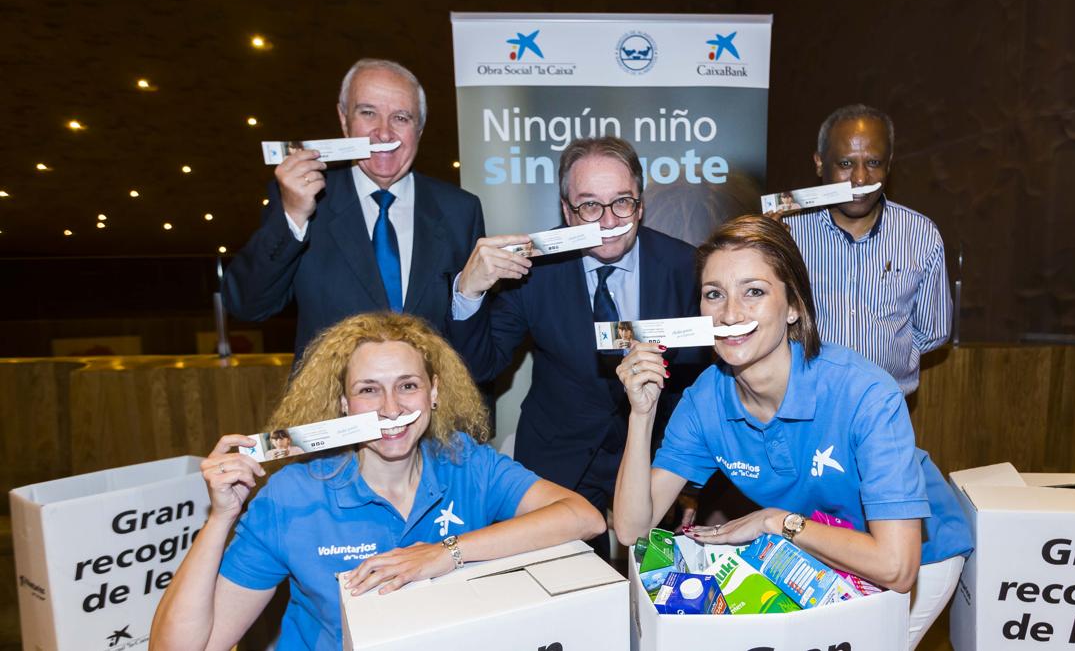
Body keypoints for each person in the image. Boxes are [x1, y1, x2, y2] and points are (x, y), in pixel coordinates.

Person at [613, 216, 972, 649]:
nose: (730, 313)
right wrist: (641, 414)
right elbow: (633, 531)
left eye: (754, 292)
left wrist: (774, 521)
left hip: (915, 557)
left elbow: (897, 567)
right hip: (813, 551)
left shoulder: (865, 393)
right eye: (714, 294)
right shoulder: (704, 400)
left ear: (793, 306)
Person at [150, 312, 604, 651]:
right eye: (369, 389)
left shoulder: (466, 462)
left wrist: (447, 553)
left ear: (435, 392)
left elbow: (583, 518)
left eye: (408, 385)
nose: (390, 407)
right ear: (344, 404)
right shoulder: (294, 495)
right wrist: (220, 517)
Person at [446, 136, 707, 556]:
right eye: (589, 205)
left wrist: (690, 478)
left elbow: (697, 382)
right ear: (567, 211)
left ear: (640, 205)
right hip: (558, 457)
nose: (607, 221)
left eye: (622, 202)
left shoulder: (684, 266)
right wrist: (469, 291)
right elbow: (480, 366)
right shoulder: (532, 268)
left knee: (660, 593)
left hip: (654, 459)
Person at [223, 58, 484, 359]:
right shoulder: (304, 201)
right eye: (368, 113)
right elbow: (247, 305)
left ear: (420, 129)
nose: (384, 134)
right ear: (344, 120)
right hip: (332, 402)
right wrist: (293, 216)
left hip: (431, 402)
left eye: (401, 118)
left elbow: (473, 338)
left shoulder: (460, 211)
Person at [782, 104, 951, 395]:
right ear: (820, 163)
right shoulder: (789, 233)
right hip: (804, 406)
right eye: (846, 164)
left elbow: (933, 331)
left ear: (889, 164)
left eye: (873, 163)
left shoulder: (921, 235)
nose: (860, 179)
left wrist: (888, 360)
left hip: (885, 409)